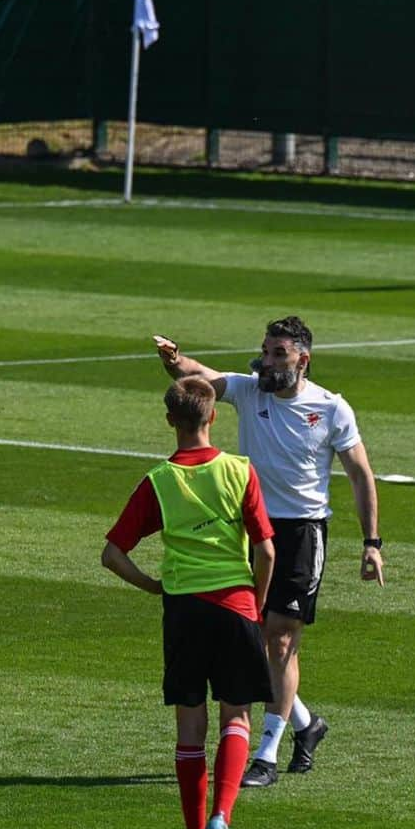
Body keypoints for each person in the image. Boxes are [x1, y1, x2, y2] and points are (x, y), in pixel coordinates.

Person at [153, 317, 383, 788]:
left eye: (279, 353)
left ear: (303, 358)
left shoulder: (332, 408)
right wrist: (175, 361)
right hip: (252, 528)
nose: (269, 360)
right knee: (253, 636)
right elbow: (202, 379)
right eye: (266, 350)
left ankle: (267, 754)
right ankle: (306, 724)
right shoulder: (249, 390)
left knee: (279, 639)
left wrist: (371, 543)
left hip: (302, 534)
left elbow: (360, 474)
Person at [102, 376, 275, 829]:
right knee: (237, 718)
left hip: (184, 611)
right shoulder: (240, 472)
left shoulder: (160, 481)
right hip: (236, 607)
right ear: (213, 416)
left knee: (189, 729)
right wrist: (256, 605)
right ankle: (223, 815)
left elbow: (112, 555)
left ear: (169, 421)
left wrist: (154, 585)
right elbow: (265, 550)